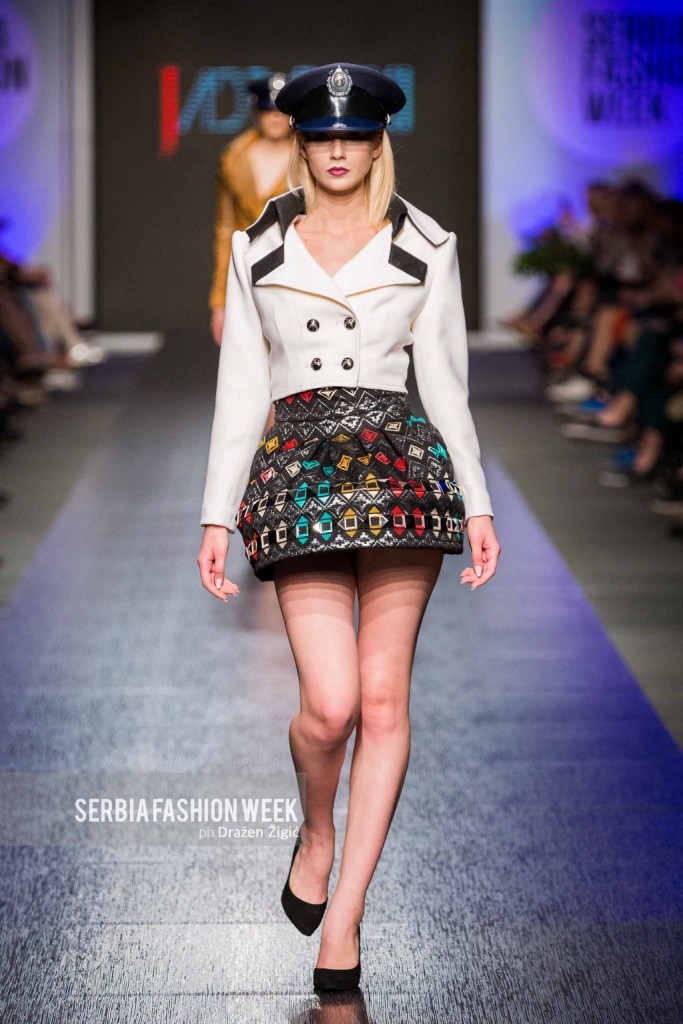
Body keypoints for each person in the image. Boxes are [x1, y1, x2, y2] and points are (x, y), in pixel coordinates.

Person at [197, 62, 500, 992]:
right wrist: (215, 514)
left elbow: (444, 380)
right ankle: (316, 831)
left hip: (402, 474)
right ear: (300, 142)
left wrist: (478, 501)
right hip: (298, 476)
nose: (337, 151)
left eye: (354, 137)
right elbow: (241, 386)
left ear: (377, 143)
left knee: (381, 701)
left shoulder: (427, 244)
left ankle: (347, 917)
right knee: (327, 708)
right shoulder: (259, 245)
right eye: (322, 136)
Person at [209, 72, 293, 349]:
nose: (275, 117)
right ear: (256, 112)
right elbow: (225, 230)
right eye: (268, 110)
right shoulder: (233, 159)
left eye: (282, 110)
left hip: (295, 273)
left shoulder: (311, 157)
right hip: (248, 274)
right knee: (248, 359)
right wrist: (219, 302)